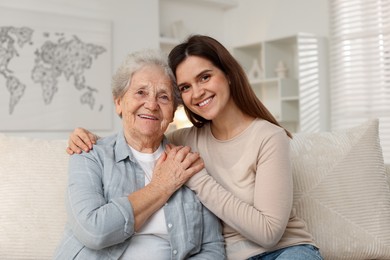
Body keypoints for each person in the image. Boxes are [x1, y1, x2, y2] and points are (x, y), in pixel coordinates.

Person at [67, 35, 324, 260]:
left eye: (205, 77)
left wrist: (196, 177)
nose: (198, 92)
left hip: (285, 251)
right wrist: (90, 140)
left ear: (229, 75)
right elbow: (140, 134)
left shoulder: (264, 138)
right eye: (186, 87)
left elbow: (263, 234)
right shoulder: (182, 141)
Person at [54, 49, 226, 260]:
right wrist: (161, 186)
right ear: (119, 102)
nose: (152, 105)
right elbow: (93, 231)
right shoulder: (89, 154)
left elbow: (212, 248)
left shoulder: (187, 163)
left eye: (163, 97)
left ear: (173, 111)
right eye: (141, 93)